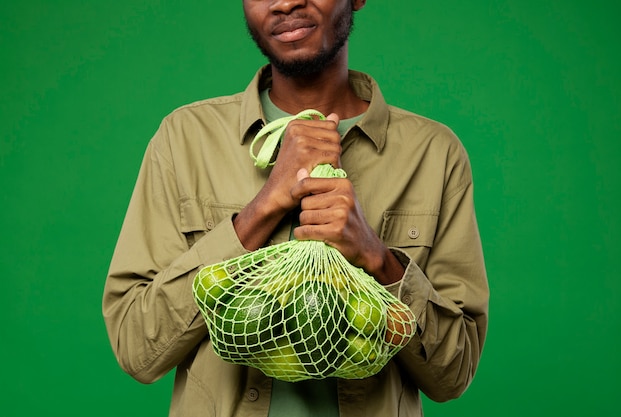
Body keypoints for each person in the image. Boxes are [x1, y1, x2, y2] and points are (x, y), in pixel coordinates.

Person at [102, 1, 489, 416]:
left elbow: (454, 374)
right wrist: (261, 210)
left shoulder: (433, 155)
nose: (285, 2)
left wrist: (378, 258)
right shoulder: (184, 141)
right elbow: (137, 349)